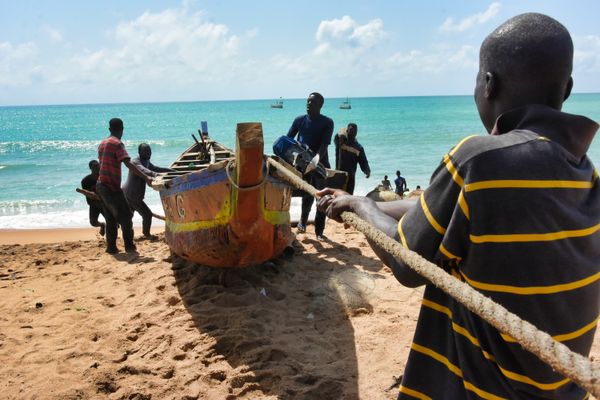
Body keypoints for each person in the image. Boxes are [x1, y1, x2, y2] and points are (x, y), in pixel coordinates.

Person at [318, 13, 599, 399]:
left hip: (482, 391)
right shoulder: (585, 174)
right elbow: (442, 212)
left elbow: (406, 263)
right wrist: (361, 199)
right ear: (566, 88)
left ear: (488, 84)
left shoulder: (479, 158)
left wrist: (364, 210)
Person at [96, 118, 153, 254]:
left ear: (109, 129)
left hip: (100, 185)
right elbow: (128, 163)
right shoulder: (117, 144)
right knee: (126, 216)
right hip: (111, 187)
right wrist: (146, 177)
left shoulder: (102, 143)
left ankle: (111, 247)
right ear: (122, 129)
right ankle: (129, 246)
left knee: (110, 217)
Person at [287, 92, 334, 240]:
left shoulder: (327, 122)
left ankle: (319, 232)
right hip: (302, 164)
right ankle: (302, 222)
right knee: (306, 195)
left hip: (320, 164)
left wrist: (314, 162)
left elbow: (324, 145)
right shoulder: (299, 120)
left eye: (312, 102)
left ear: (320, 105)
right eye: (307, 101)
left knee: (321, 199)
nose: (308, 104)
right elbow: (288, 140)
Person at [123, 143, 174, 240]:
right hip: (132, 195)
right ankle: (146, 234)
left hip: (131, 193)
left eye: (149, 151)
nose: (148, 154)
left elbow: (154, 168)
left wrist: (171, 171)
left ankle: (127, 235)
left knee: (128, 217)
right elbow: (146, 171)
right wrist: (156, 175)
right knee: (147, 215)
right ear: (139, 153)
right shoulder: (136, 162)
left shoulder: (145, 160)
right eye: (145, 152)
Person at [333, 123, 371, 195]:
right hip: (339, 174)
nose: (353, 132)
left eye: (355, 131)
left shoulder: (358, 147)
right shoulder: (340, 141)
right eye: (351, 130)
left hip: (351, 176)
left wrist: (367, 170)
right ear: (347, 131)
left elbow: (363, 161)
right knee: (336, 196)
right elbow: (338, 134)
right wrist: (342, 134)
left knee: (349, 196)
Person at [81, 160, 106, 236]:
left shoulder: (103, 177)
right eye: (94, 166)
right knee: (93, 222)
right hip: (94, 204)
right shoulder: (85, 181)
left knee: (114, 223)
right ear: (90, 168)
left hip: (104, 203)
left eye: (97, 165)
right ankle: (102, 225)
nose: (96, 167)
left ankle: (111, 237)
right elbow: (86, 194)